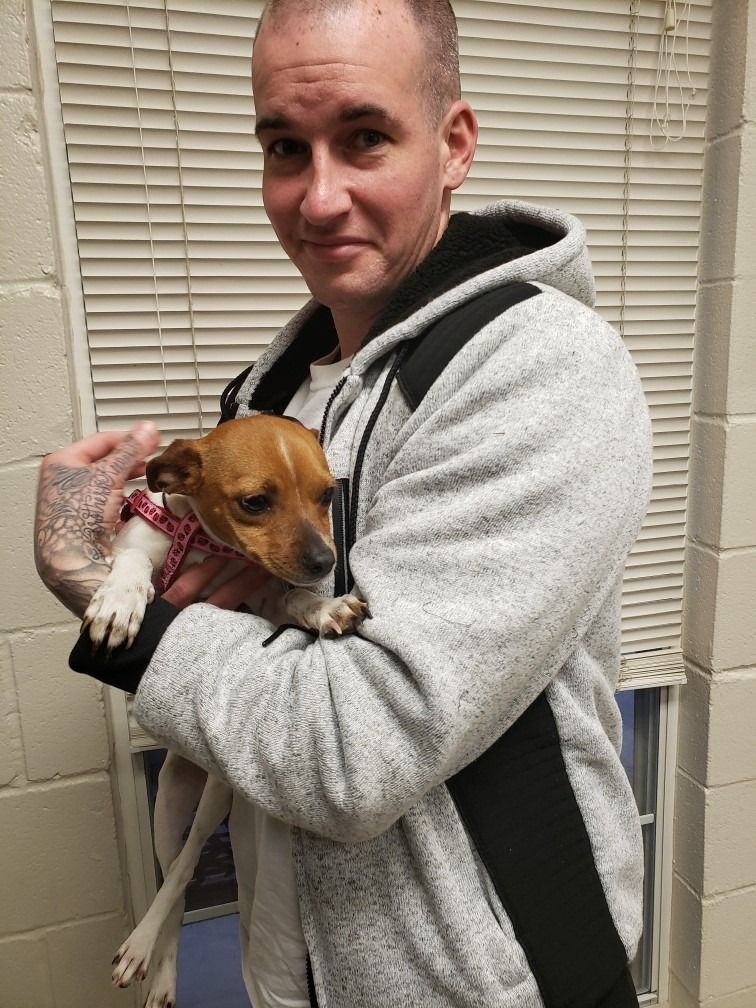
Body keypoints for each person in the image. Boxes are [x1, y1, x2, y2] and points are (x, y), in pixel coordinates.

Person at [34, 1, 653, 1006]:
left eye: (364, 137)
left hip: (487, 983)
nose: (318, 198)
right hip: (297, 966)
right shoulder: (268, 397)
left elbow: (351, 751)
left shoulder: (542, 371)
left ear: (453, 145)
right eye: (286, 148)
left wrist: (103, 593)